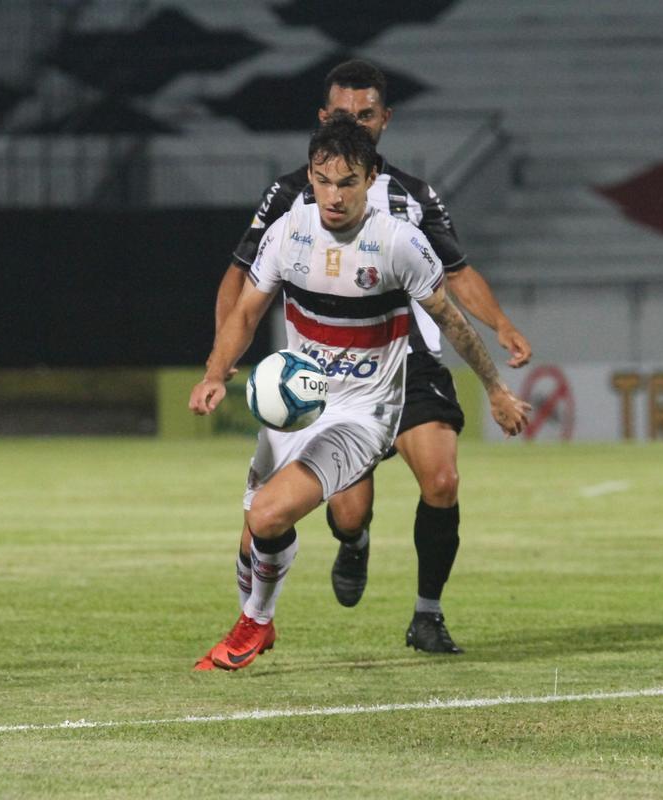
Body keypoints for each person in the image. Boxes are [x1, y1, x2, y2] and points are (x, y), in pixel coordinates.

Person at [211, 59, 533, 656]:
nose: (353, 123)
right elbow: (242, 277)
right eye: (341, 115)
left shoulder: (412, 199)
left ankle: (427, 614)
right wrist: (219, 358)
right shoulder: (292, 197)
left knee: (442, 480)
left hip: (411, 360)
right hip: (329, 376)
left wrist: (502, 325)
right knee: (349, 514)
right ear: (322, 120)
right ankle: (352, 543)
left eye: (364, 115)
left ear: (385, 119)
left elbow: (456, 276)